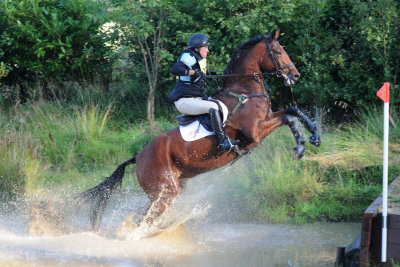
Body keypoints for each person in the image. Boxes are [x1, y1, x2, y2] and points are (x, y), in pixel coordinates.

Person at [169, 33, 238, 152]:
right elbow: (175, 69)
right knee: (213, 107)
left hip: (195, 100)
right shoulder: (189, 56)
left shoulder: (197, 58)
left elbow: (202, 71)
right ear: (197, 49)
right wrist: (193, 73)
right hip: (184, 101)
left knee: (220, 102)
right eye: (205, 47)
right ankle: (222, 142)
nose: (208, 50)